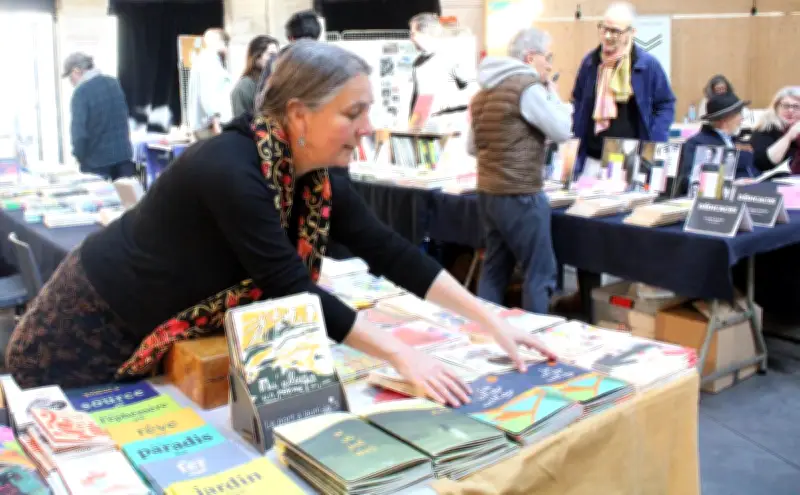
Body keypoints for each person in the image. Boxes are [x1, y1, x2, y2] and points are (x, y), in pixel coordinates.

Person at [7, 41, 554, 407]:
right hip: (89, 327)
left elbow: (390, 251)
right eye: (352, 112)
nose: (368, 126)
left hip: (160, 336)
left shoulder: (318, 175)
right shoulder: (229, 167)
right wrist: (402, 354)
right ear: (298, 114)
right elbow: (292, 287)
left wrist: (491, 320)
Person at [467, 28, 571, 314]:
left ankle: (486, 333)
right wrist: (554, 94)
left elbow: (472, 147)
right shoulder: (528, 87)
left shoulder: (483, 93)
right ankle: (536, 342)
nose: (550, 65)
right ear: (530, 57)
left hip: (488, 192)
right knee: (540, 273)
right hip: (520, 192)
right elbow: (563, 130)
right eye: (547, 57)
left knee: (494, 270)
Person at [570, 2, 675, 172]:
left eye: (616, 31)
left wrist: (654, 141)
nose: (608, 36)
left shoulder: (647, 65)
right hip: (592, 157)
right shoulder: (590, 63)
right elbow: (578, 99)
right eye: (604, 29)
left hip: (630, 160)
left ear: (631, 33)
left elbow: (665, 105)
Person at [62, 52, 134, 181]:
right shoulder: (114, 83)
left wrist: (79, 157)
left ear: (77, 71)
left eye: (70, 76)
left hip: (96, 165)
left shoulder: (81, 93)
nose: (71, 82)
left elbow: (79, 135)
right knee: (127, 200)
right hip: (124, 159)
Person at [675, 92, 757, 195]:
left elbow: (751, 169)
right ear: (726, 119)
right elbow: (690, 181)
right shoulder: (697, 143)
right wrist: (731, 185)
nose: (742, 119)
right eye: (739, 114)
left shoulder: (737, 140)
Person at [408, 13, 475, 122]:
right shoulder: (418, 63)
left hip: (452, 123)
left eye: (413, 34)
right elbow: (420, 98)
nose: (411, 38)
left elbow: (470, 89)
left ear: (425, 33)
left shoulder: (451, 56)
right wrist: (414, 126)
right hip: (429, 124)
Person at [254, 11, 322, 111]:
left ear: (291, 38)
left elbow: (260, 104)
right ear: (317, 35)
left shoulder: (275, 62)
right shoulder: (331, 62)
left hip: (283, 122)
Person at [186, 28, 232, 139]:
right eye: (226, 44)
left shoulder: (201, 60)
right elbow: (210, 95)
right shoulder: (210, 62)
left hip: (205, 126)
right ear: (220, 42)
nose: (228, 49)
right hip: (211, 127)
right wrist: (216, 124)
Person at [750, 86, 800, 173]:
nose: (790, 110)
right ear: (776, 107)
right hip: (772, 182)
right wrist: (789, 136)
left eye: (796, 106)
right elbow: (765, 164)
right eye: (785, 106)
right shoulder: (765, 128)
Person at [231, 35, 280, 119]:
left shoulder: (276, 82)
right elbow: (241, 123)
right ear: (257, 56)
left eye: (277, 55)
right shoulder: (244, 86)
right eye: (271, 54)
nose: (275, 59)